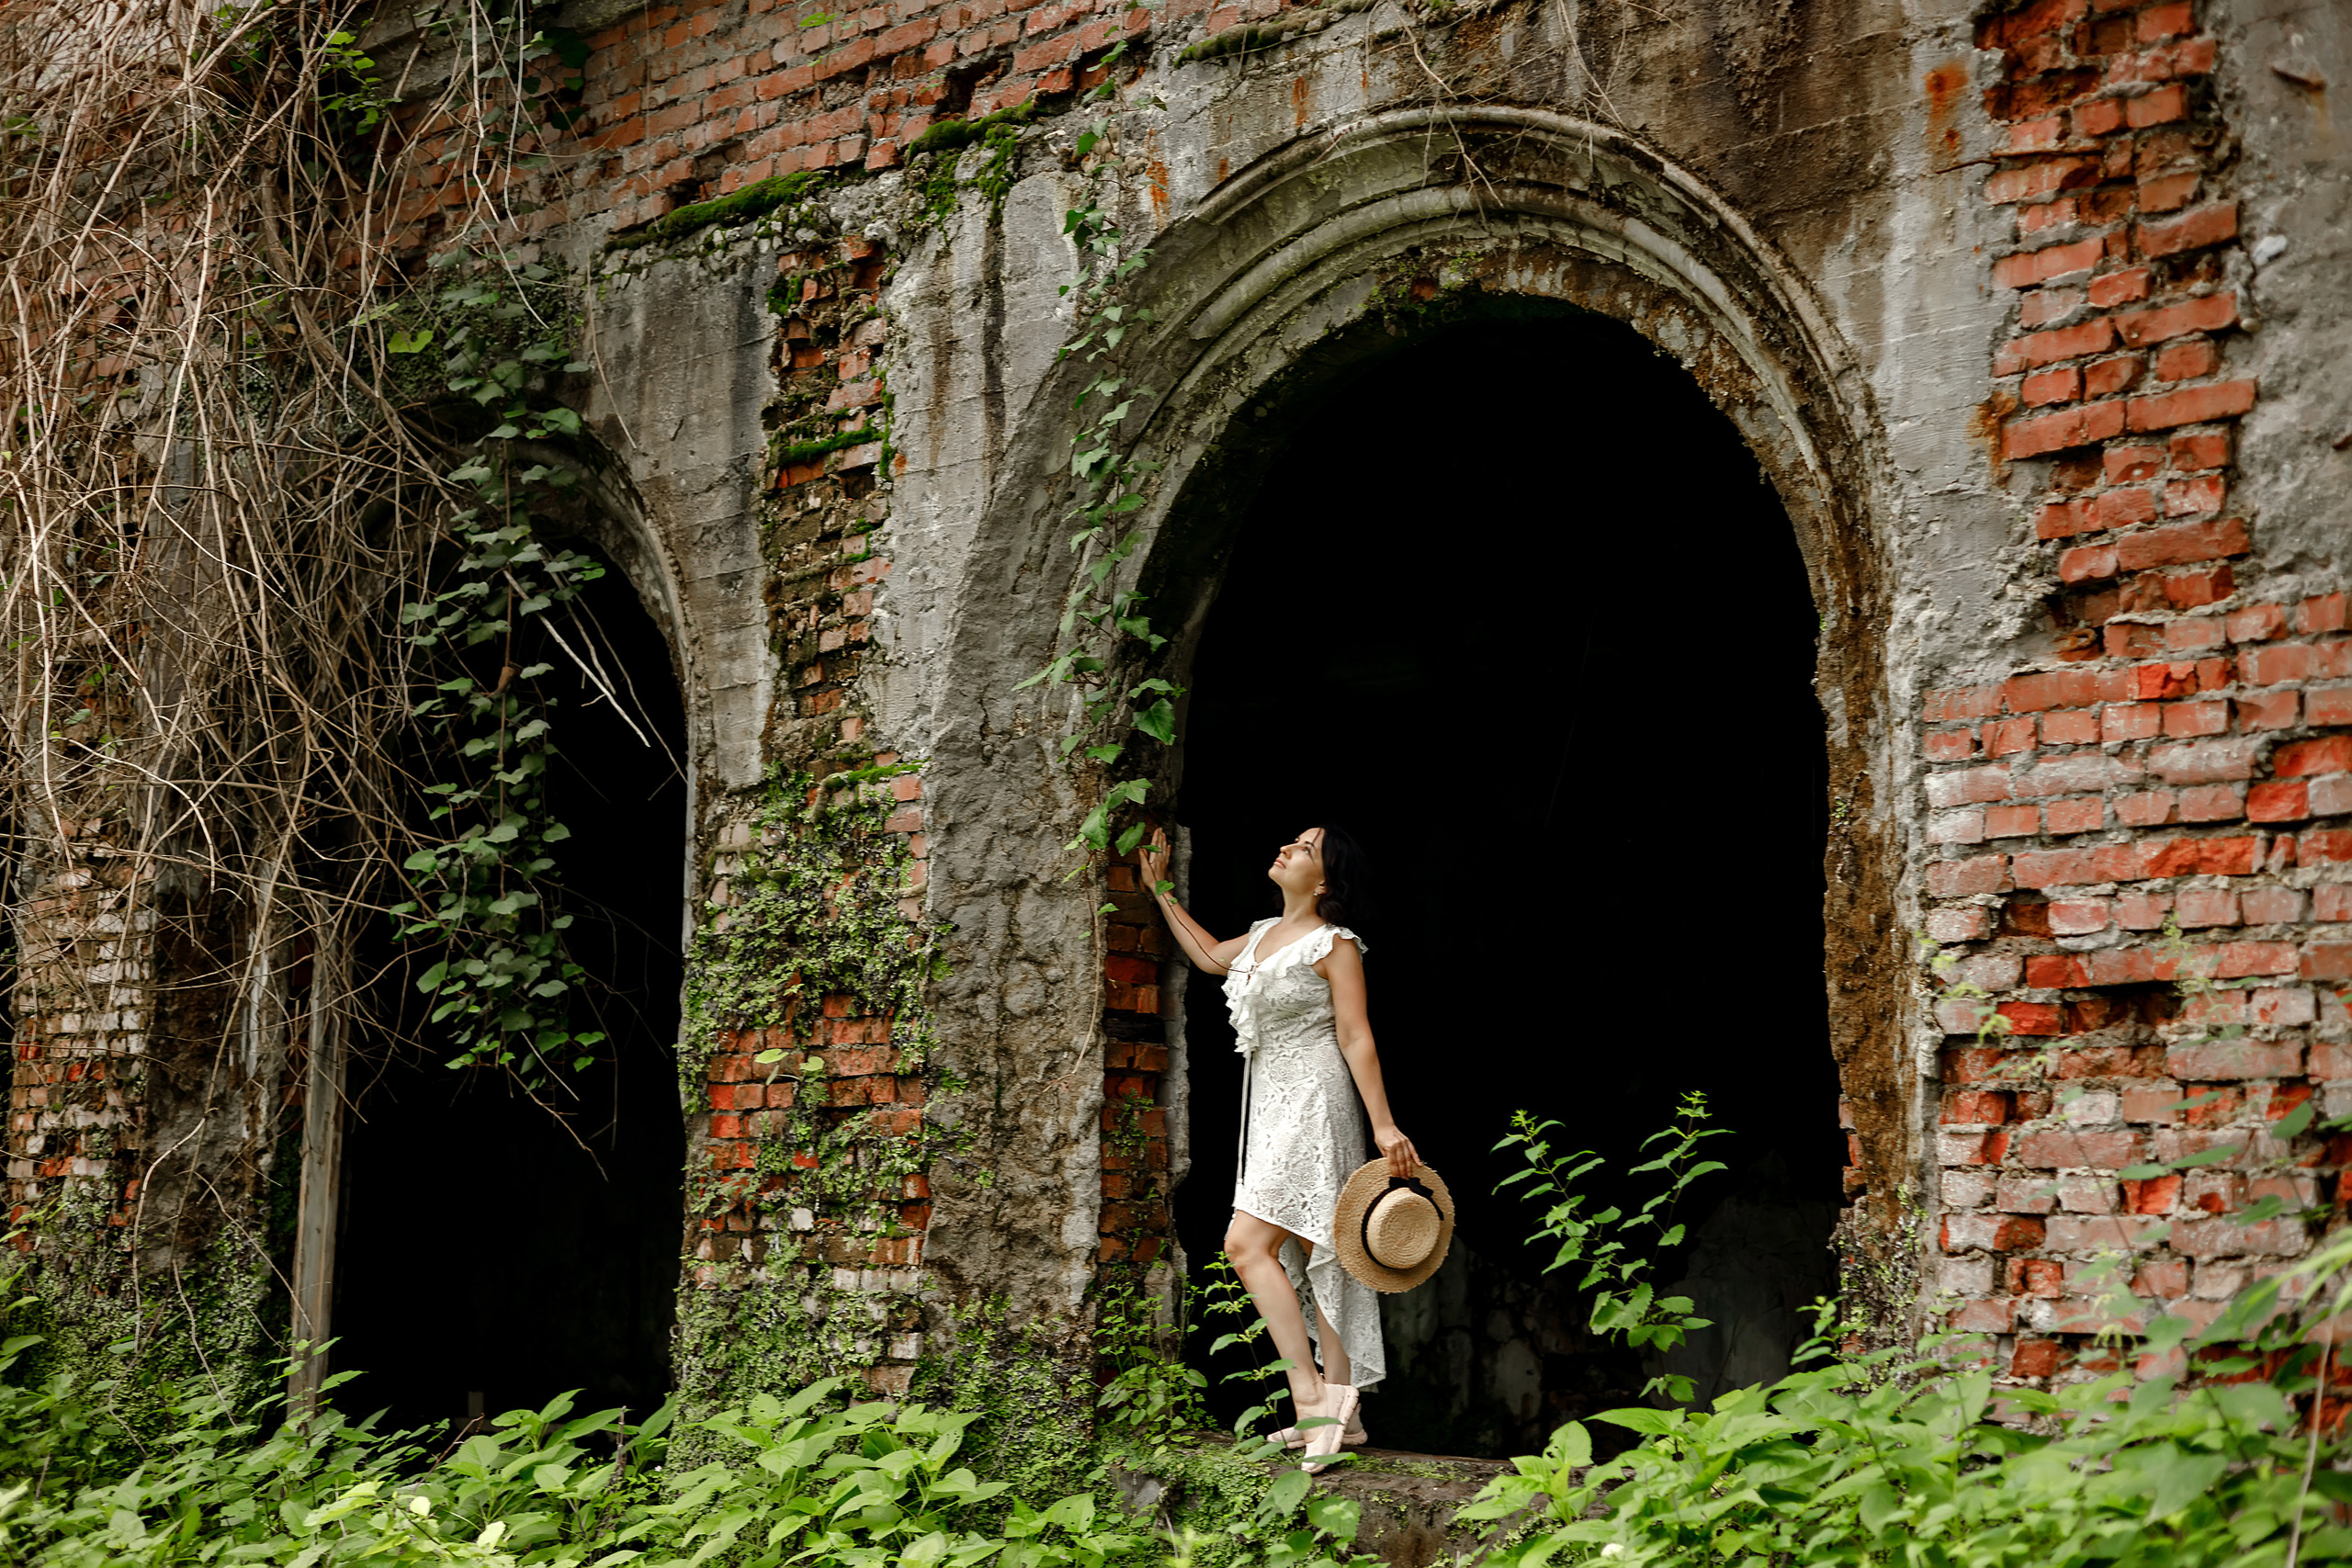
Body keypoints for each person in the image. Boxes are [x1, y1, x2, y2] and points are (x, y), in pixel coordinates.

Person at [1138, 823, 1419, 1472]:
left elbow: (1355, 1035)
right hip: (1269, 1103)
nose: (1287, 848)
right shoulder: (1265, 933)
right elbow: (1210, 957)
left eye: (1306, 847)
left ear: (1324, 879)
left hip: (1316, 1099)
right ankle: (1338, 1415)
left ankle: (1314, 1397)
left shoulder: (1335, 943)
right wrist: (1160, 893)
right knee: (1306, 1242)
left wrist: (1383, 1125)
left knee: (1249, 1243)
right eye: (1292, 840)